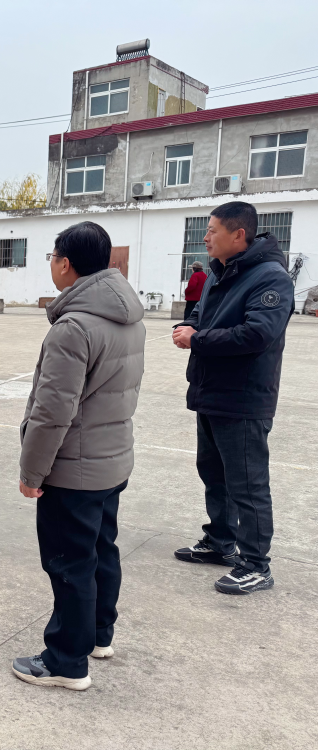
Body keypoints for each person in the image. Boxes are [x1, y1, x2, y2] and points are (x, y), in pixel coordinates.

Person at [12, 221, 145, 691]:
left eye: (52, 257)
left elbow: (52, 412)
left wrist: (32, 472)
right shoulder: (129, 317)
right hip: (112, 461)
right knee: (101, 550)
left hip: (75, 470)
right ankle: (98, 636)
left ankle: (66, 661)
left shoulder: (73, 327)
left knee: (70, 563)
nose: (52, 264)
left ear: (65, 263)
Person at [172, 201, 294, 595]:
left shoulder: (270, 278)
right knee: (214, 475)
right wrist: (189, 327)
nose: (205, 238)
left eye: (212, 230)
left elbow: (257, 334)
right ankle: (220, 541)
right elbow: (204, 317)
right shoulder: (218, 272)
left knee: (247, 484)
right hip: (210, 392)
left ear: (238, 234)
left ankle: (256, 564)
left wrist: (198, 339)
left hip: (243, 399)